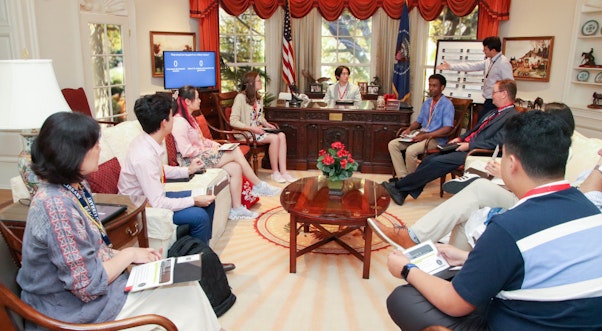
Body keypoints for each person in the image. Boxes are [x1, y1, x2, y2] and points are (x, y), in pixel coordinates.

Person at [385, 110, 602, 331]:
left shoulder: (507, 227)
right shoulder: (591, 210)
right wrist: (467, 257)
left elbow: (455, 304)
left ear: (512, 163)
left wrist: (406, 269)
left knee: (403, 299)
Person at [17, 112, 221, 330]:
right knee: (184, 294)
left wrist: (128, 256)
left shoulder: (76, 187)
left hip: (98, 295)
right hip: (73, 312)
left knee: (186, 282)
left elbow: (88, 250)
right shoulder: (55, 206)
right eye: (95, 145)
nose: (100, 150)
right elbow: (87, 286)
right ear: (73, 153)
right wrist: (129, 254)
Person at [374, 102, 602, 251]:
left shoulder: (575, 156)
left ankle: (413, 230)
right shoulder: (552, 146)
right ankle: (441, 254)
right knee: (471, 196)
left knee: (472, 185)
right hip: (527, 196)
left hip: (542, 206)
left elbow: (575, 203)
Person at [382, 79, 518, 205]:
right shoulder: (493, 112)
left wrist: (469, 145)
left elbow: (498, 142)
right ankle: (402, 191)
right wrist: (460, 138)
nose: (491, 95)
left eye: (494, 92)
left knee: (436, 162)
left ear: (504, 94)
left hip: (476, 152)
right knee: (430, 159)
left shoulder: (512, 117)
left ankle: (400, 188)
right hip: (465, 145)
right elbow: (474, 130)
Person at [171, 85, 281, 220]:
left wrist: (214, 144)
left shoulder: (190, 119)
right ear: (187, 101)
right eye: (197, 98)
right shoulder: (179, 122)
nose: (200, 100)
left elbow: (202, 140)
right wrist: (209, 150)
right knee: (234, 151)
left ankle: (237, 209)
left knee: (235, 168)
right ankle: (258, 185)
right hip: (191, 162)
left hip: (200, 156)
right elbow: (186, 151)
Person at [230, 72, 297, 183]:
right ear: (251, 83)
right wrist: (252, 129)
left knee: (281, 135)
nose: (261, 82)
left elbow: (260, 117)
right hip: (246, 133)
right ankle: (275, 172)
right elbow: (233, 121)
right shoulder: (240, 98)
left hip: (258, 130)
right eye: (258, 80)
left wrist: (266, 124)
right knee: (274, 138)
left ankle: (284, 172)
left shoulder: (258, 98)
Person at [387, 74, 454, 179]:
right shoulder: (427, 102)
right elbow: (418, 121)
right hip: (421, 135)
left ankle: (412, 181)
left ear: (442, 87)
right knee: (393, 144)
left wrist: (426, 136)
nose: (431, 88)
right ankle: (403, 178)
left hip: (435, 139)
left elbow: (447, 128)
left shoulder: (447, 104)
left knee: (411, 151)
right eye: (430, 85)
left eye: (434, 86)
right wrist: (409, 130)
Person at [436, 36, 514, 120]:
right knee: (482, 124)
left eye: (485, 49)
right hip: (489, 100)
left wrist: (507, 106)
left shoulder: (503, 63)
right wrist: (451, 66)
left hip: (497, 102)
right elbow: (471, 66)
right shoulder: (489, 61)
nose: (483, 51)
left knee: (483, 125)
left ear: (493, 50)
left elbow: (510, 85)